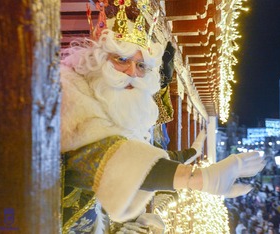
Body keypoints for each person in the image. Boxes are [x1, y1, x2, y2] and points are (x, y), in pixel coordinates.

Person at [60, 0, 266, 233]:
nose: (132, 73)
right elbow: (98, 155)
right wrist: (196, 178)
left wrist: (191, 155)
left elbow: (137, 155)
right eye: (122, 60)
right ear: (96, 59)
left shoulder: (126, 110)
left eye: (141, 66)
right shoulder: (68, 96)